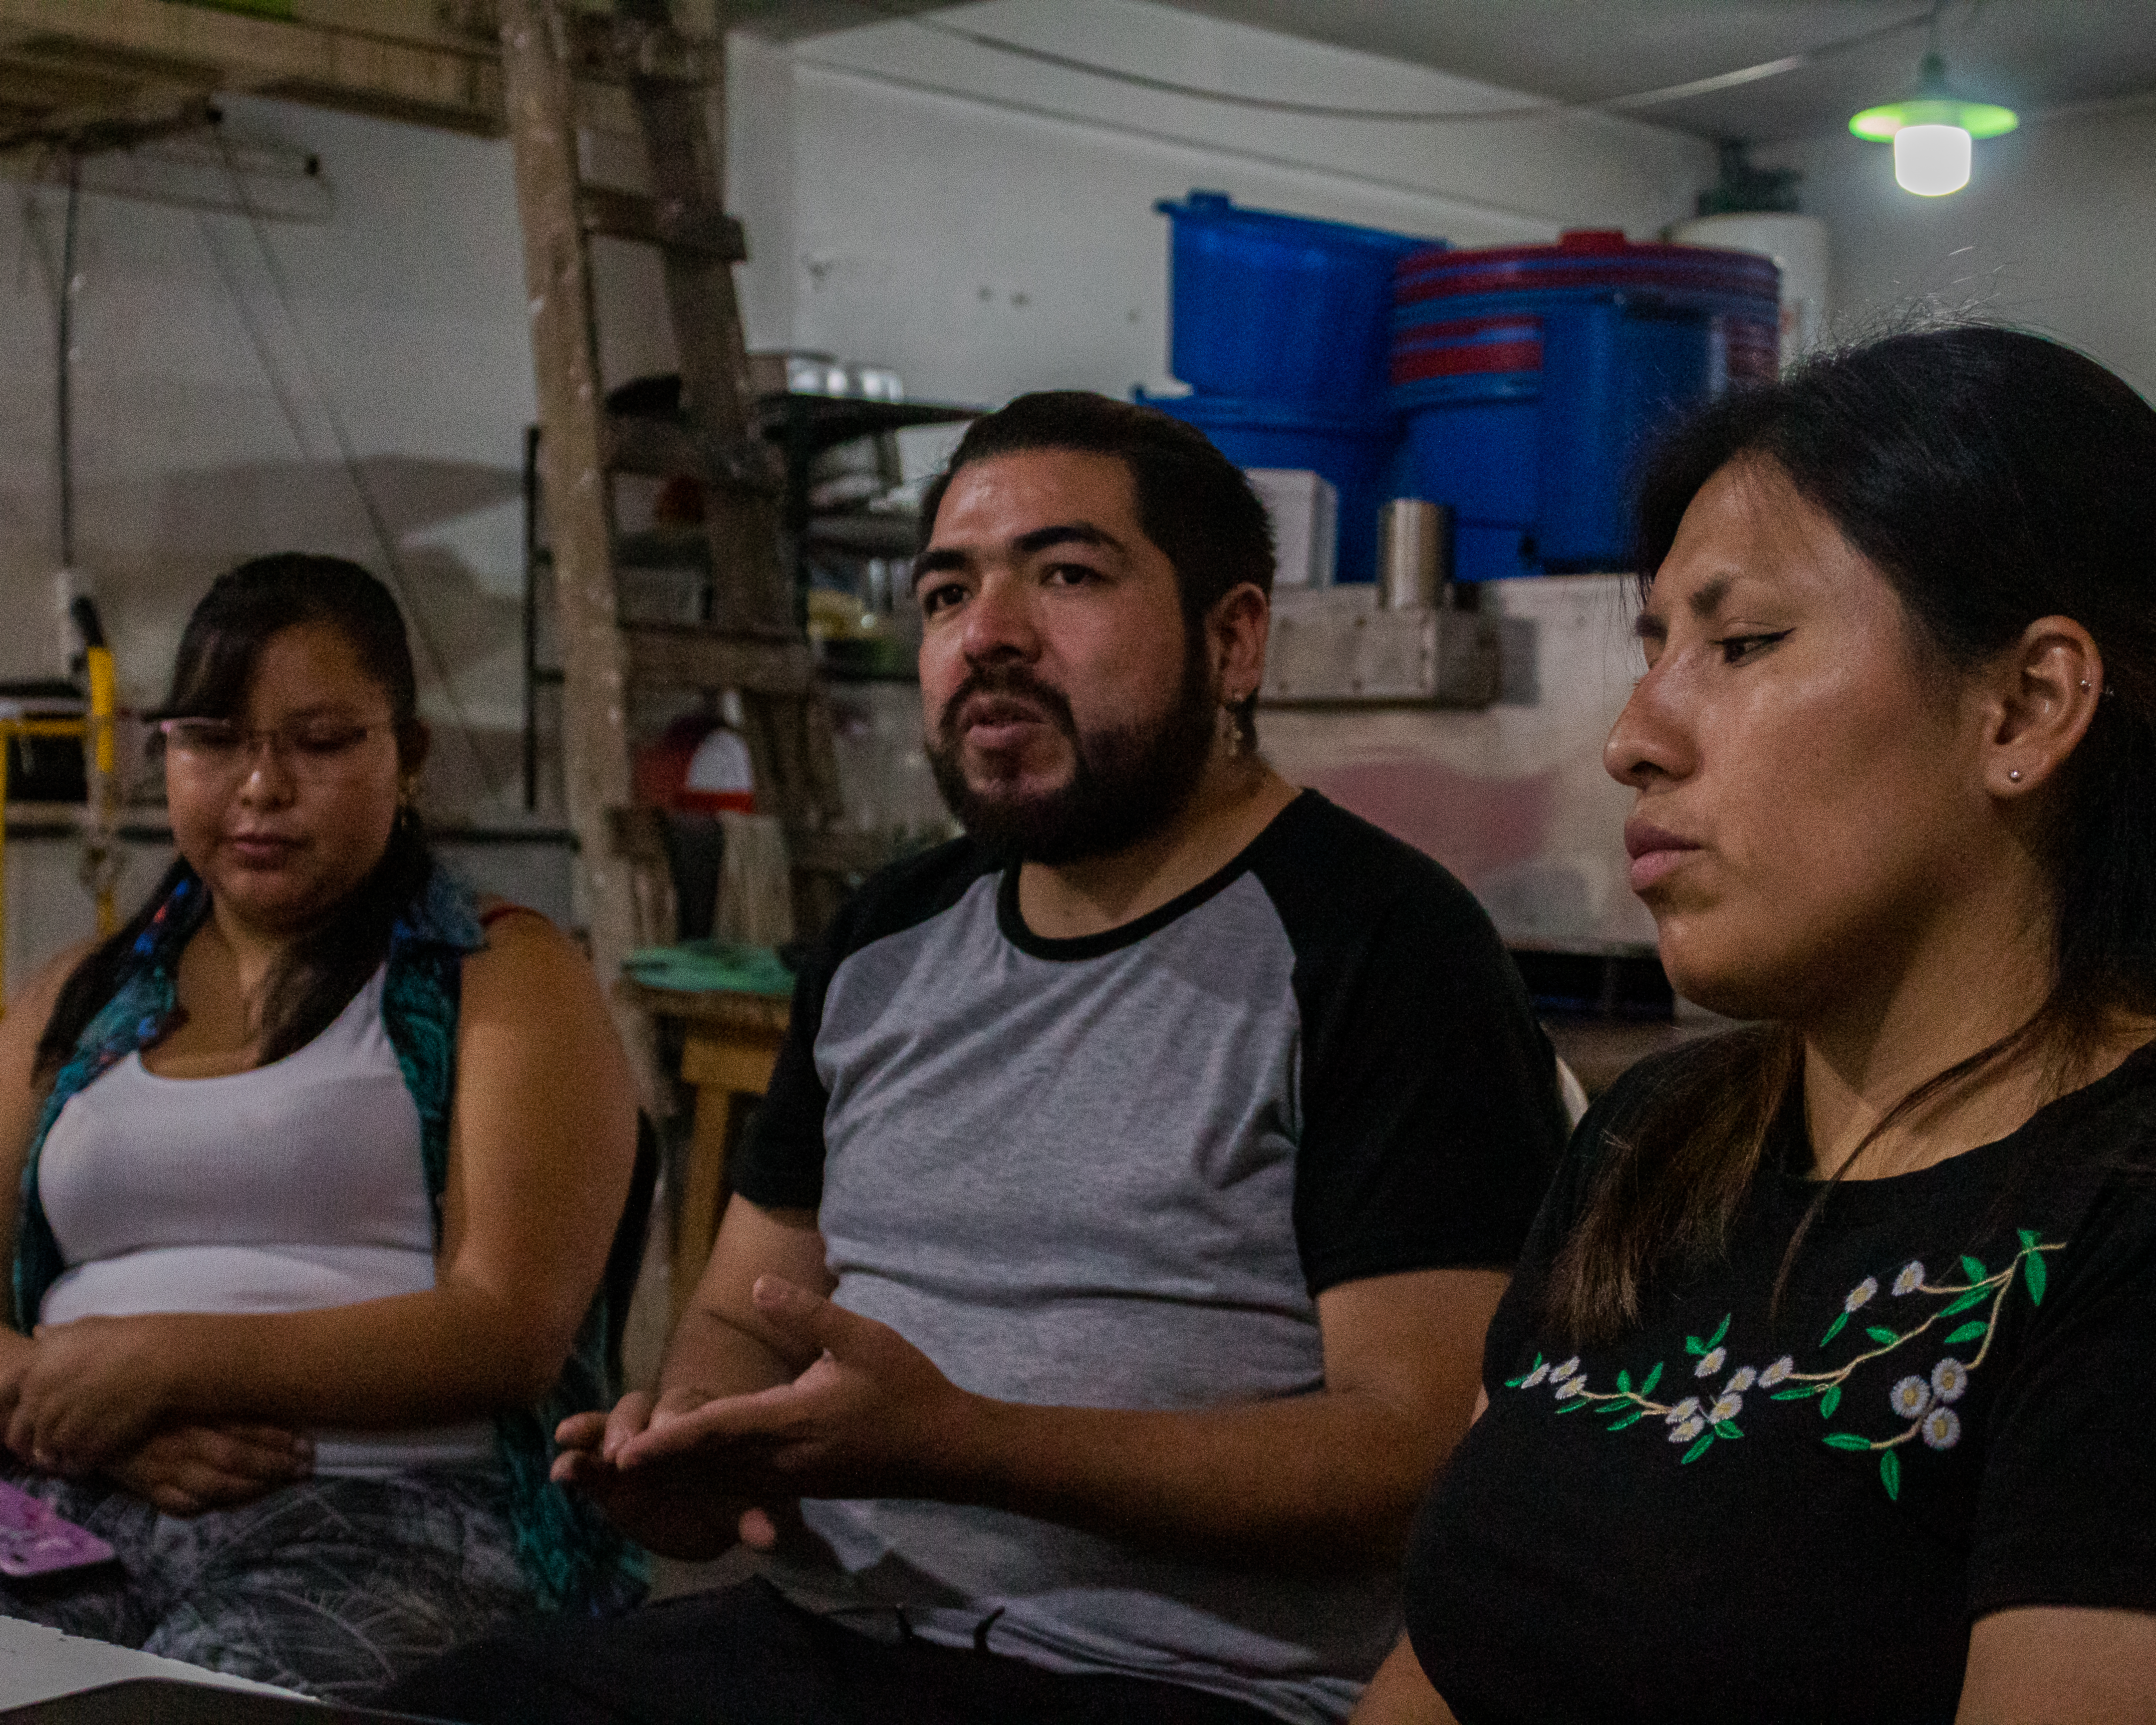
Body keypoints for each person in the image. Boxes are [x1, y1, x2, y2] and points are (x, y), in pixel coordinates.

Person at [387, 392, 1569, 1725]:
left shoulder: (1382, 947)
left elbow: (1415, 1454)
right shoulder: (887, 936)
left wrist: (970, 1445)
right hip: (820, 1641)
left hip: (1161, 1682)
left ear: (1234, 641)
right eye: (948, 594)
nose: (989, 637)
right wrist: (700, 1443)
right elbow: (739, 1313)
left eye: (1067, 576)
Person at [1358, 326, 2156, 1725]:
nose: (1633, 738)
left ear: (2024, 704)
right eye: (1654, 648)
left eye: (1742, 644)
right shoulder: (1659, 1139)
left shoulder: (2120, 1219)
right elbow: (1444, 1663)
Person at [0, 556, 643, 1700]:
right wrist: (88, 1418)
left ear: (409, 759)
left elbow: (510, 1328)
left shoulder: (500, 976)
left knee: (197, 1704)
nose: (260, 786)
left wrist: (162, 1364)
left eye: (322, 741)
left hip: (397, 1511)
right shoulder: (74, 999)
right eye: (214, 738)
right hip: (71, 1488)